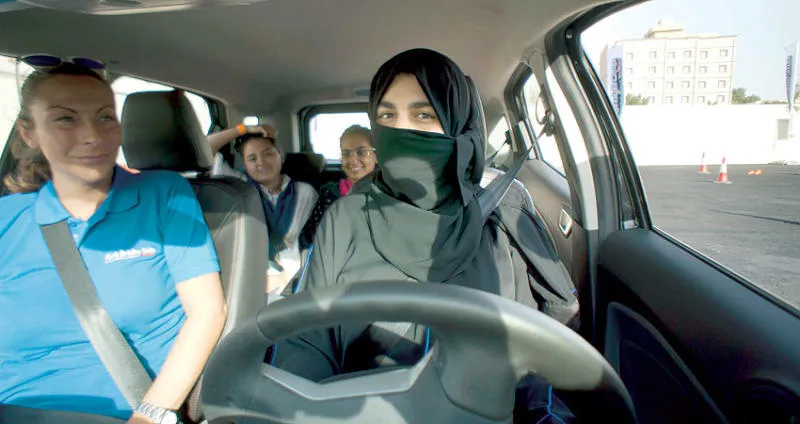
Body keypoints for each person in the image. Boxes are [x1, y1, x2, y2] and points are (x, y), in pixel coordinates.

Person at [272, 48, 579, 382]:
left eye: (423, 115)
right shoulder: (343, 220)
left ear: (456, 127)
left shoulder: (503, 219)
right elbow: (302, 341)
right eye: (387, 116)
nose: (401, 132)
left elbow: (541, 347)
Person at [0, 63, 227, 422]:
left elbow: (208, 312)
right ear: (29, 134)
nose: (92, 136)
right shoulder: (7, 217)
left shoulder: (164, 196)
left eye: (105, 117)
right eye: (65, 119)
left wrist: (151, 413)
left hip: (123, 411)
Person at [206, 124, 318, 286]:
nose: (261, 162)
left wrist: (285, 277)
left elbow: (310, 241)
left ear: (281, 155)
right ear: (245, 164)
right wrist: (243, 129)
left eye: (268, 154)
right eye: (252, 159)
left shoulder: (305, 193)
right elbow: (204, 149)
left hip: (294, 276)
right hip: (248, 272)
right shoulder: (239, 187)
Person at [300, 124, 377, 247]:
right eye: (346, 153)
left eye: (361, 152)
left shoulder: (389, 194)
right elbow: (311, 237)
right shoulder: (329, 195)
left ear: (376, 156)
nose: (352, 160)